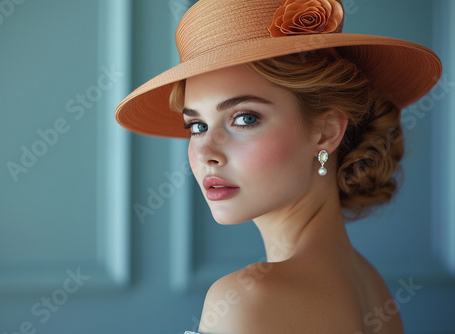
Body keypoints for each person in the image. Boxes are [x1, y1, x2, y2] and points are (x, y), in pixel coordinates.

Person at [115, 0, 442, 333]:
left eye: (244, 118)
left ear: (326, 131)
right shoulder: (372, 289)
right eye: (196, 126)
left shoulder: (249, 300)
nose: (206, 153)